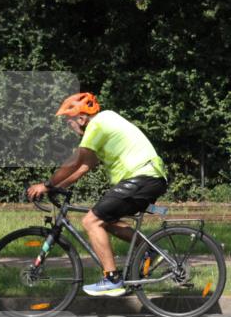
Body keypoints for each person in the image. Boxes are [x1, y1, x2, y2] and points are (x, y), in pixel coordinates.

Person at [27, 93, 168, 297]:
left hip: (141, 178)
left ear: (82, 118)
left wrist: (46, 184)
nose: (69, 126)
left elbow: (75, 162)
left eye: (69, 121)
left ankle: (112, 279)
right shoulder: (104, 124)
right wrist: (55, 188)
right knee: (105, 221)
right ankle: (150, 250)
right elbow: (85, 166)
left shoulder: (98, 125)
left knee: (91, 222)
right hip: (147, 179)